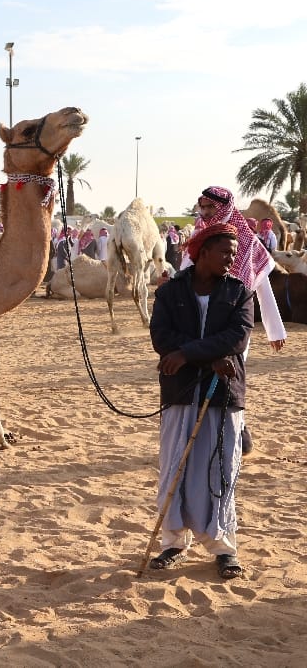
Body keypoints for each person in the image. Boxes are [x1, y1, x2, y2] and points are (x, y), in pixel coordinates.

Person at [148, 222, 253, 579]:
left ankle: (224, 548)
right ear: (203, 252)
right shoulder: (170, 292)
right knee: (174, 468)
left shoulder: (239, 293)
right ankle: (173, 544)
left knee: (220, 471)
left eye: (235, 253)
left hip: (222, 395)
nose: (231, 259)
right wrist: (206, 359)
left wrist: (189, 353)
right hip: (180, 393)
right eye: (225, 252)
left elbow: (236, 337)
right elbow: (162, 337)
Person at [181, 186, 286, 455]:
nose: (205, 213)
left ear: (225, 207)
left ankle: (239, 432)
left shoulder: (248, 242)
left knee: (230, 379)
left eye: (210, 208)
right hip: (199, 319)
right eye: (202, 208)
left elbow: (261, 285)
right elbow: (183, 276)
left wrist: (275, 329)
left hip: (235, 323)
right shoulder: (198, 236)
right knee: (200, 375)